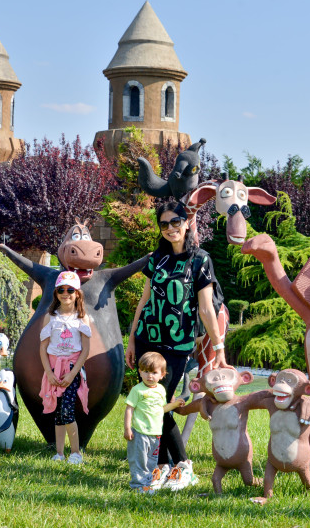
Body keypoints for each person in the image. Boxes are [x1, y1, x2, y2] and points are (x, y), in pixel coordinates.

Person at [124, 200, 228, 491]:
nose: (170, 228)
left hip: (177, 343)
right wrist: (131, 338)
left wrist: (219, 348)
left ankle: (183, 466)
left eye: (175, 222)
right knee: (152, 401)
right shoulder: (157, 258)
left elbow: (206, 309)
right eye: (164, 224)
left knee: (160, 404)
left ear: (186, 223)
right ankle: (163, 467)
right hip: (147, 338)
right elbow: (145, 300)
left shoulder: (200, 260)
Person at [38, 271, 91, 464]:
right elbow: (43, 348)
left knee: (68, 411)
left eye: (70, 290)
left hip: (71, 369)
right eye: (61, 290)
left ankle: (76, 453)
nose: (65, 293)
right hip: (54, 370)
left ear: (77, 293)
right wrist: (49, 373)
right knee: (59, 412)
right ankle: (59, 453)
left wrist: (72, 373)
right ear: (56, 293)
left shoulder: (82, 318)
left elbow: (85, 350)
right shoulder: (50, 317)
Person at [124, 352, 185, 493]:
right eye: (145, 371)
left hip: (155, 433)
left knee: (152, 461)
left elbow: (161, 409)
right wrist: (127, 428)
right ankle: (138, 485)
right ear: (140, 372)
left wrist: (174, 405)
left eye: (154, 372)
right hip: (140, 432)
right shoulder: (138, 390)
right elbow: (129, 409)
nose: (149, 376)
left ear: (162, 375)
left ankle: (147, 483)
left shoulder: (161, 390)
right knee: (139, 460)